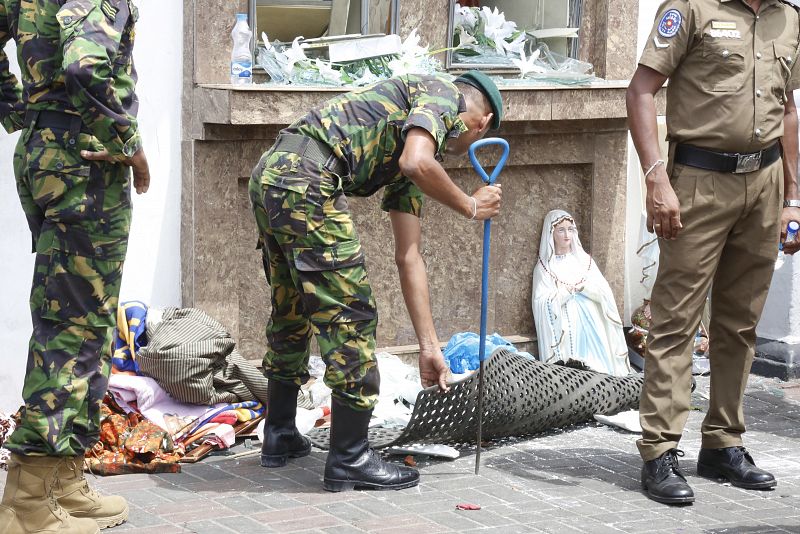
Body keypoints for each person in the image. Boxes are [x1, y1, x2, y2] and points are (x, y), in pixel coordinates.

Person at [249, 71, 503, 492]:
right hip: (308, 178)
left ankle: (280, 436)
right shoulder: (443, 96)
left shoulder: (414, 131)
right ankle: (350, 457)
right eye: (473, 140)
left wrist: (429, 347)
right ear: (482, 122)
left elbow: (409, 257)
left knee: (292, 308)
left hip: (275, 173)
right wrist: (470, 205)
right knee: (351, 315)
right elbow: (417, 162)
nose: (461, 149)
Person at [627, 0, 800, 505]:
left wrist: (793, 198)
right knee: (677, 319)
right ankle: (659, 449)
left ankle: (724, 441)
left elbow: (788, 107)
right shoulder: (690, 9)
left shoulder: (789, 19)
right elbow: (640, 90)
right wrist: (656, 177)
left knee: (741, 321)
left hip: (764, 184)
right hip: (698, 181)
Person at [0, 0, 150, 531]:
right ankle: (28, 501)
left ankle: (62, 475)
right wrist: (128, 143)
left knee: (83, 321)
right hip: (84, 164)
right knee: (73, 327)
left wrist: (17, 109)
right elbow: (83, 66)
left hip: (48, 154)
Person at [532, 210, 631, 377]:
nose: (567, 235)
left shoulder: (584, 260)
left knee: (598, 359)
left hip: (592, 321)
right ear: (551, 233)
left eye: (570, 229)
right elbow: (541, 302)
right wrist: (563, 294)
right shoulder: (544, 267)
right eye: (561, 230)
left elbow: (604, 291)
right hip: (566, 325)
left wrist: (585, 289)